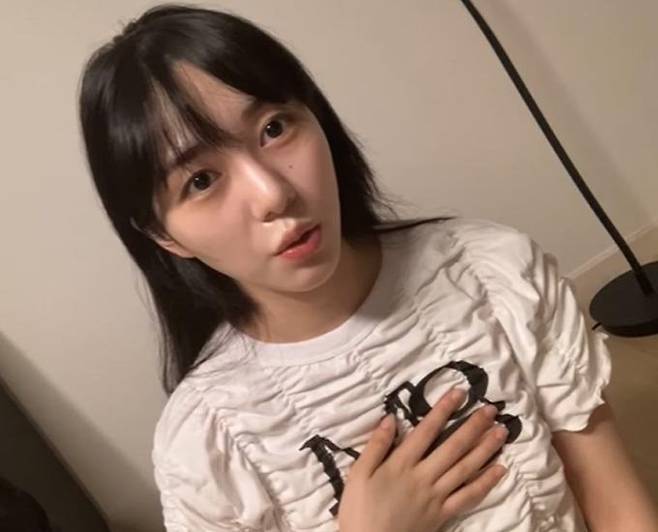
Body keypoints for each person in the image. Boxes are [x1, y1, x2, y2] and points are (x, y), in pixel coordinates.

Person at [77, 4, 657, 531]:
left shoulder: (494, 273)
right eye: (201, 180)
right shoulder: (208, 446)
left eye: (274, 129)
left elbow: (616, 505)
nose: (272, 193)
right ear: (163, 235)